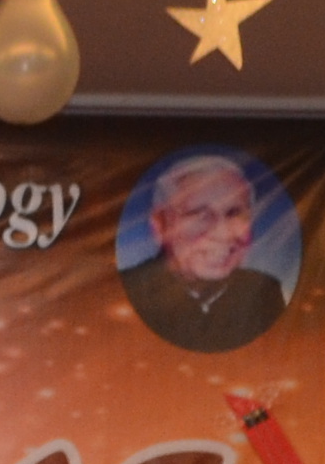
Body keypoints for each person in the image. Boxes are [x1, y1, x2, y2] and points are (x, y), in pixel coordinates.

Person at [121, 149, 292, 354]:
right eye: (199, 215)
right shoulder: (125, 291)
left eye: (234, 213)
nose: (222, 233)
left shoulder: (264, 293)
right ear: (161, 225)